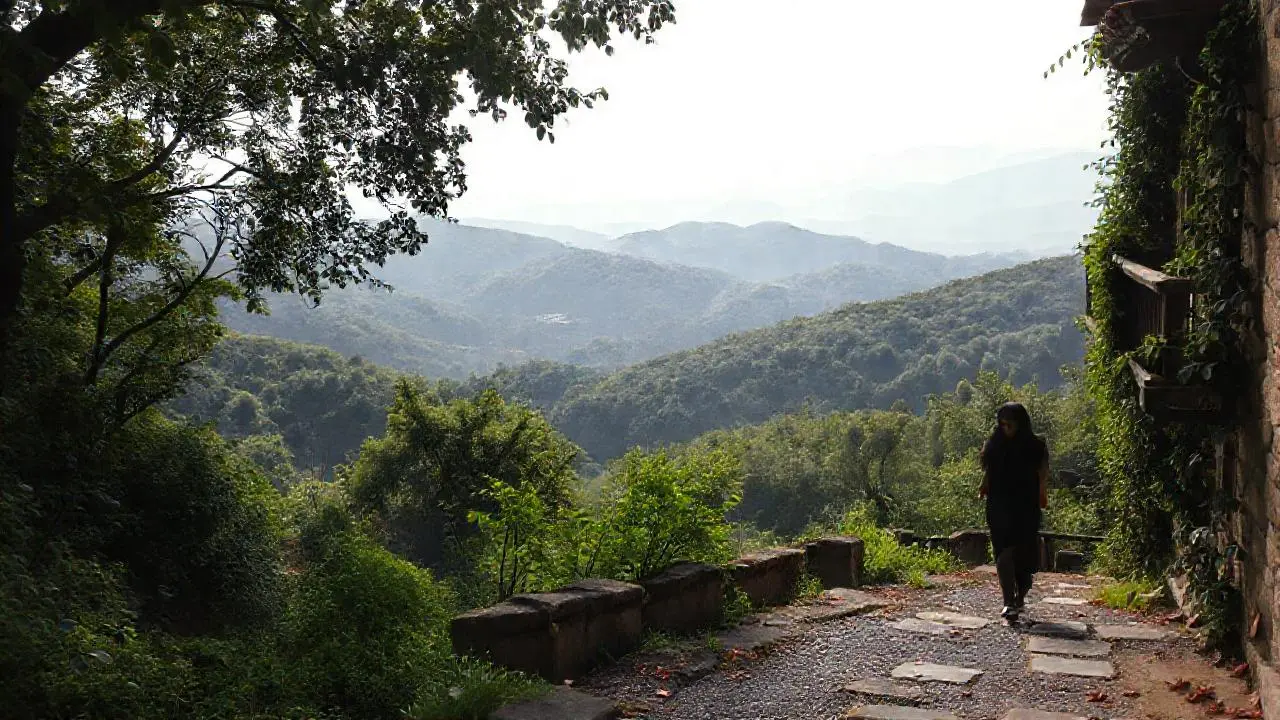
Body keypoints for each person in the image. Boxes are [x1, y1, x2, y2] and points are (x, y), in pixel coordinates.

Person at [978, 402, 1049, 620]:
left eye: (1009, 424)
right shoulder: (995, 444)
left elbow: (1042, 472)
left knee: (1024, 555)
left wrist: (1042, 493)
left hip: (1025, 505)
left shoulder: (1035, 446)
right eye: (1002, 424)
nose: (1005, 428)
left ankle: (1020, 595)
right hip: (999, 504)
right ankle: (1008, 601)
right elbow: (989, 469)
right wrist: (983, 485)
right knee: (1003, 551)